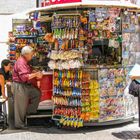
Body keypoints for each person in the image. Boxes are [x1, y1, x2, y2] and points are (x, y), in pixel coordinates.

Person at [12, 46, 43, 129]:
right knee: (20, 106)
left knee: (36, 93)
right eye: (31, 54)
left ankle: (29, 112)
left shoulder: (25, 61)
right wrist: (36, 74)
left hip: (25, 85)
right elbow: (24, 77)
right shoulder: (21, 62)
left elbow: (27, 72)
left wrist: (33, 71)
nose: (32, 56)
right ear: (26, 54)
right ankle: (19, 125)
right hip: (20, 85)